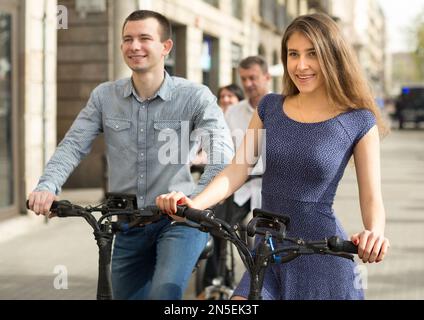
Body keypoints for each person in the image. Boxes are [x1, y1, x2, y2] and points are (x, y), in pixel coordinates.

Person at [156, 13, 390, 300]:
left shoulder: (358, 120)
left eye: (312, 54)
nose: (300, 65)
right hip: (268, 248)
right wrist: (194, 204)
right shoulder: (269, 107)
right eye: (293, 54)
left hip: (321, 252)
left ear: (333, 57)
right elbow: (238, 169)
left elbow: (371, 197)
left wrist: (374, 233)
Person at [27, 10, 234, 300]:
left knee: (164, 293)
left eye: (144, 38)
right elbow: (73, 144)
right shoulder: (104, 96)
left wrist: (195, 204)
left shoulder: (195, 97)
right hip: (127, 224)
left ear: (166, 47)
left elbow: (222, 157)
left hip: (180, 222)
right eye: (127, 39)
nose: (134, 46)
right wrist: (47, 186)